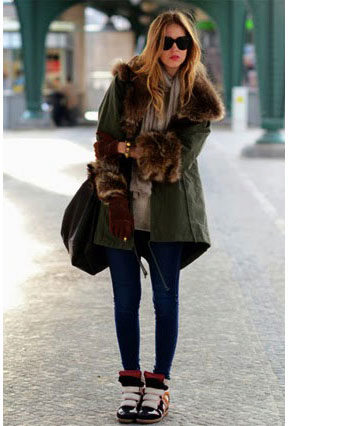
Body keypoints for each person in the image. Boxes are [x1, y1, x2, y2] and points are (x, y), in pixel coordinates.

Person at [89, 9, 225, 424]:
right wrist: (115, 200)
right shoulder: (126, 81)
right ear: (154, 43)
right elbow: (104, 143)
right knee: (125, 303)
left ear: (191, 46)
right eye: (167, 41)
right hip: (122, 210)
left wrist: (129, 148)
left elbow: (177, 159)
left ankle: (159, 386)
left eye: (182, 42)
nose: (175, 49)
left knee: (165, 302)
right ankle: (131, 384)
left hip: (170, 215)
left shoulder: (198, 96)